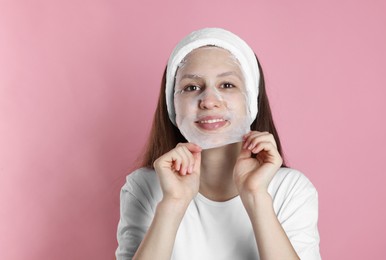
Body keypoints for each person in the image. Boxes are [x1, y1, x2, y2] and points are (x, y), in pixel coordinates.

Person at [115, 28, 321, 260]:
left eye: (227, 85)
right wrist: (173, 203)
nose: (209, 101)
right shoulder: (143, 187)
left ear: (251, 99)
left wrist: (256, 196)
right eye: (191, 87)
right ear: (172, 104)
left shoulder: (292, 190)